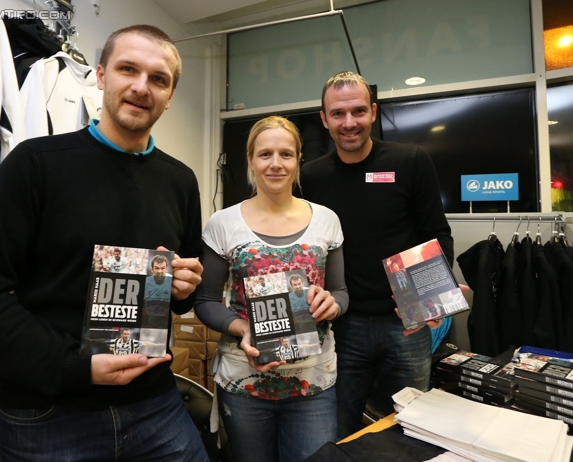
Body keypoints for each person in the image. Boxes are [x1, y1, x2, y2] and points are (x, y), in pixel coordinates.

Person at [0, 25, 208, 462]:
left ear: (170, 94)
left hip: (156, 405)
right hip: (50, 413)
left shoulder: (180, 181)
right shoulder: (35, 165)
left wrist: (186, 285)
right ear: (101, 76)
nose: (142, 87)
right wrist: (74, 366)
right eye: (128, 69)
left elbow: (182, 295)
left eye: (158, 79)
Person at [300, 71, 454, 438]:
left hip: (406, 324)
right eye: (338, 114)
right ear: (324, 119)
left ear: (373, 111)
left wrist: (434, 299)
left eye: (358, 112)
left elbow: (437, 234)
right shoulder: (311, 176)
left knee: (409, 428)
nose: (349, 123)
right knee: (340, 431)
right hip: (343, 325)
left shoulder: (411, 161)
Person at [194, 115, 349, 462]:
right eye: (265, 154)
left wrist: (332, 304)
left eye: (286, 154)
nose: (276, 164)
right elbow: (204, 301)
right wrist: (243, 329)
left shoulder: (327, 220)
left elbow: (341, 293)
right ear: (250, 159)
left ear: (299, 159)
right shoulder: (223, 223)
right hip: (244, 381)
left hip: (313, 381)